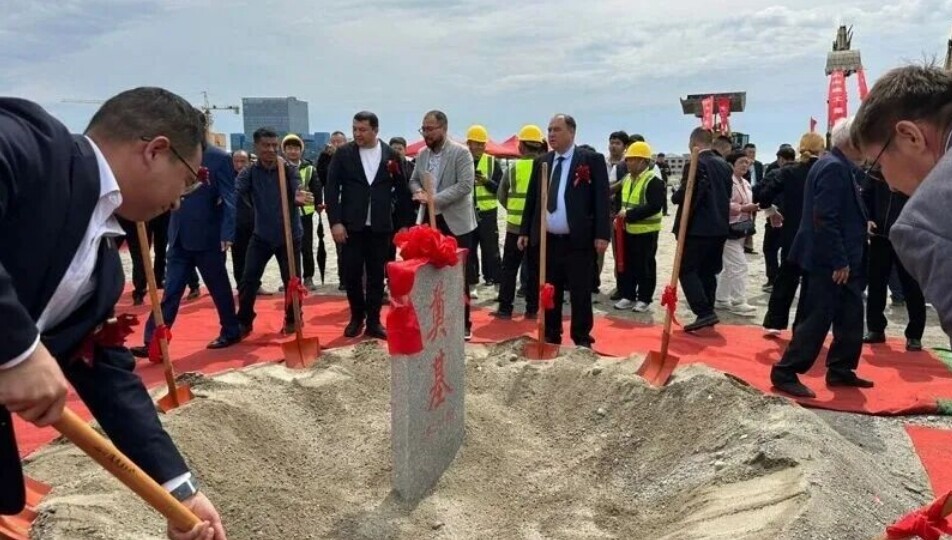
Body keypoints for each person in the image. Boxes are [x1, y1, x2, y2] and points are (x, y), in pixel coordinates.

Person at [0, 88, 226, 539]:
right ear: (155, 151)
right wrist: (18, 349)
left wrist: (178, 489)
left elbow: (104, 371)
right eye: (188, 180)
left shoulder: (103, 269)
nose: (180, 201)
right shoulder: (31, 144)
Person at [770, 118, 872, 398]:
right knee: (816, 317)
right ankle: (786, 370)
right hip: (829, 260)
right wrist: (839, 260)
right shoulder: (833, 167)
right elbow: (824, 217)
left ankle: (841, 367)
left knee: (851, 314)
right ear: (852, 142)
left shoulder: (837, 165)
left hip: (844, 258)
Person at [851, 64, 952, 341]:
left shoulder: (928, 219)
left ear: (910, 136)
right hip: (880, 238)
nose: (888, 183)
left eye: (877, 166)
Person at [131, 141, 242, 358]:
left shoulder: (219, 158)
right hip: (178, 236)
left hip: (208, 237)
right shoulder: (172, 153)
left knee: (219, 288)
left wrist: (227, 233)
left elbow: (230, 198)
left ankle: (231, 330)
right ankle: (154, 341)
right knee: (171, 291)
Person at [518, 114, 611, 348]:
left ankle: (581, 336)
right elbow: (532, 200)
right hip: (548, 239)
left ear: (572, 132)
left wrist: (602, 234)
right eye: (549, 129)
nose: (551, 134)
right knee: (550, 289)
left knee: (580, 290)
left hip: (578, 239)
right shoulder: (542, 162)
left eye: (557, 130)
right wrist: (525, 230)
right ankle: (552, 333)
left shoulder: (590, 160)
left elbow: (602, 200)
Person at [326, 111, 414, 339]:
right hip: (351, 226)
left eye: (363, 130)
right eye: (354, 129)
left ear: (375, 130)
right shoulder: (344, 154)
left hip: (380, 226)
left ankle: (374, 321)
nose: (357, 134)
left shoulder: (391, 155)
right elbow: (332, 189)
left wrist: (404, 224)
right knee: (352, 274)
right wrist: (335, 222)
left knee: (376, 275)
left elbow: (403, 191)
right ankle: (357, 317)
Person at [235, 128, 314, 336]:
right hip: (261, 235)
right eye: (266, 145)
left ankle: (293, 318)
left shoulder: (287, 169)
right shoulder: (250, 172)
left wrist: (299, 196)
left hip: (289, 236)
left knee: (292, 281)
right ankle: (244, 320)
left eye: (273, 145)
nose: (271, 149)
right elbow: (236, 191)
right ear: (256, 147)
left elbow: (298, 188)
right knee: (248, 279)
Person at [410, 110, 478, 340]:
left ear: (444, 128)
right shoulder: (422, 154)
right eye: (423, 129)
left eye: (430, 129)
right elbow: (413, 180)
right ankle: (434, 321)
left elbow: (465, 185)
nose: (426, 134)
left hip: (456, 222)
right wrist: (418, 192)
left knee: (458, 275)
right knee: (430, 271)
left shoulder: (461, 152)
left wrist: (434, 199)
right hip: (429, 222)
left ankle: (462, 323)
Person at [757, 133, 825, 335]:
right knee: (810, 283)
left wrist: (771, 211)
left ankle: (774, 322)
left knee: (785, 278)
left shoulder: (788, 171)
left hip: (792, 233)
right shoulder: (826, 170)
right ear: (822, 149)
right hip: (819, 233)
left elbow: (763, 195)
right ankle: (802, 328)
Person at [672, 128, 733, 332]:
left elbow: (687, 193)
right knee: (707, 271)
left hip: (698, 227)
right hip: (720, 226)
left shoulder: (696, 163)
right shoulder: (724, 165)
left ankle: (703, 311)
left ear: (693, 142)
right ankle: (708, 311)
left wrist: (676, 196)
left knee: (686, 269)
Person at [493, 124, 545, 319]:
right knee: (534, 269)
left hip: (515, 227)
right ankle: (532, 309)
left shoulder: (513, 168)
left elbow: (501, 194)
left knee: (509, 268)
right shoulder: (545, 167)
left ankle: (505, 308)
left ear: (521, 146)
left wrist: (513, 209)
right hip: (537, 228)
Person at [614, 141, 665, 313]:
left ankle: (644, 298)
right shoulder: (627, 179)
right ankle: (627, 295)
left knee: (645, 266)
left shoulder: (653, 180)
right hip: (627, 230)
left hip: (646, 232)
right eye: (627, 159)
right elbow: (621, 200)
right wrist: (619, 216)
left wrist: (629, 214)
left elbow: (654, 206)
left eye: (632, 159)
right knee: (627, 264)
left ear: (643, 161)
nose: (627, 162)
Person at [714, 152, 758, 316]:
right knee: (739, 265)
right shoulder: (727, 181)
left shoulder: (746, 182)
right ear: (731, 165)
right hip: (728, 227)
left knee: (729, 266)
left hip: (742, 228)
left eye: (747, 162)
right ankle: (738, 301)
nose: (745, 165)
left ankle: (721, 298)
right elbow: (723, 203)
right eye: (741, 162)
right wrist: (743, 208)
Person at [465, 125, 503, 290]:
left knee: (491, 249)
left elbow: (500, 189)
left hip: (488, 213)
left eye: (482, 144)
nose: (480, 147)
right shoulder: (461, 161)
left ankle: (494, 280)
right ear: (469, 143)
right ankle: (472, 282)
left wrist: (486, 181)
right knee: (470, 249)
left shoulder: (493, 162)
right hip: (467, 212)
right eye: (477, 144)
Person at [282, 134, 321, 291]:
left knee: (306, 246)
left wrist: (318, 204)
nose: (293, 151)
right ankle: (290, 278)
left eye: (296, 148)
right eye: (289, 148)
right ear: (284, 150)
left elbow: (317, 188)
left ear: (301, 150)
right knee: (287, 248)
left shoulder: (309, 169)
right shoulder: (279, 168)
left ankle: (308, 277)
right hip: (285, 214)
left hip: (305, 213)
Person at [757, 144, 796, 291]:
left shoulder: (776, 173)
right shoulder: (802, 172)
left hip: (776, 216)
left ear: (781, 159)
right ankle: (786, 281)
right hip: (795, 220)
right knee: (789, 250)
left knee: (770, 249)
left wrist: (768, 208)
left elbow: (762, 192)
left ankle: (773, 280)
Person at [316, 131, 348, 290]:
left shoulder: (351, 157)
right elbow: (321, 178)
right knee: (340, 244)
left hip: (352, 207)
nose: (336, 145)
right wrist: (325, 156)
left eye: (339, 141)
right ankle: (343, 279)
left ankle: (356, 278)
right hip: (335, 207)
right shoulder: (327, 159)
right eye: (333, 142)